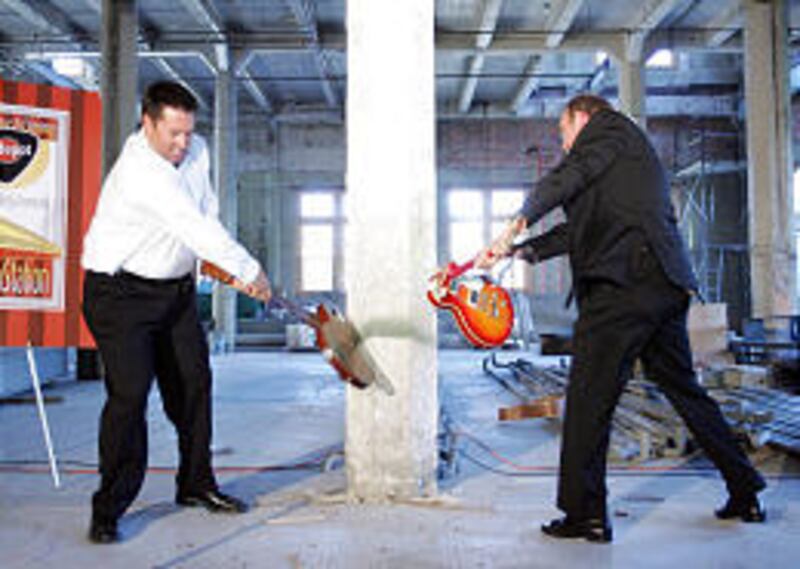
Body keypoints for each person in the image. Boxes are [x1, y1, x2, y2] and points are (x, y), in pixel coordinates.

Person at [476, 94, 766, 543]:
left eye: (564, 131)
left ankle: (585, 514)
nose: (565, 144)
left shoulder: (610, 130)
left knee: (589, 399)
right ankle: (744, 487)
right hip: (661, 286)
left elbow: (568, 175)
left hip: (624, 288)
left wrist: (518, 219)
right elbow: (579, 229)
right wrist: (522, 250)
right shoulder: (617, 166)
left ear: (584, 116)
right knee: (684, 390)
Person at [81, 81, 272, 544]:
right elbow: (190, 224)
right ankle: (108, 508)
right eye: (173, 134)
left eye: (188, 132)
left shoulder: (198, 150)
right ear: (147, 124)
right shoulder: (140, 171)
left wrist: (214, 264)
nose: (183, 144)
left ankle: (196, 484)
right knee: (130, 396)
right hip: (120, 294)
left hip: (175, 291)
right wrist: (249, 268)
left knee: (193, 384)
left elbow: (205, 213)